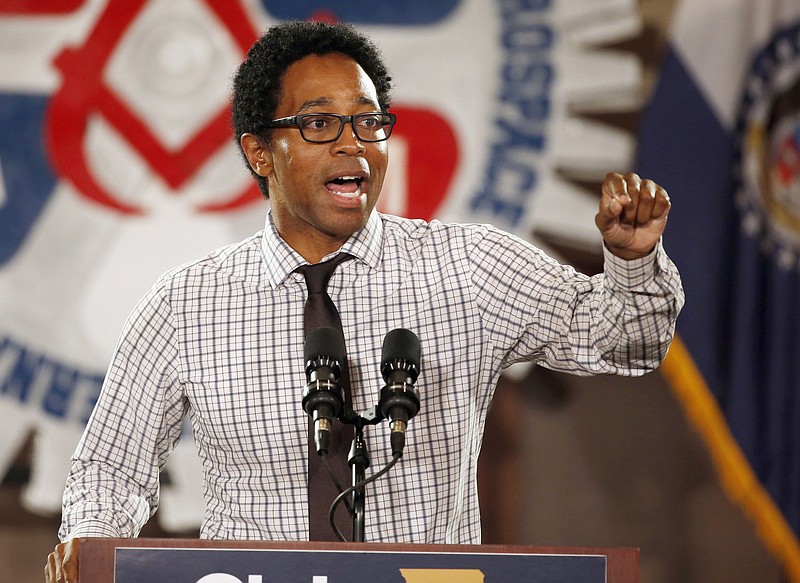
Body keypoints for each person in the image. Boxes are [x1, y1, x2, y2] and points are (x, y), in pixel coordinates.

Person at [45, 20, 684, 583]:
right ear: (259, 151)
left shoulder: (467, 268)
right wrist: (89, 547)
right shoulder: (187, 303)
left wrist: (632, 263)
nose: (354, 144)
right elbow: (109, 470)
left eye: (369, 121)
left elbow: (621, 343)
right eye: (320, 123)